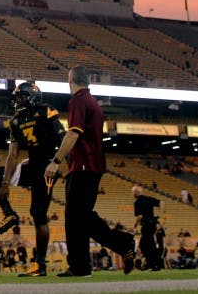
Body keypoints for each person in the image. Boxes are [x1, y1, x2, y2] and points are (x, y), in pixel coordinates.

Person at [45, 66, 135, 277]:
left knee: (77, 218)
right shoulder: (92, 101)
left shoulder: (78, 100)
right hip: (92, 165)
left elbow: (73, 134)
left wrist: (56, 161)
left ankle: (118, 245)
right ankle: (82, 265)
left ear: (71, 81)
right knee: (79, 218)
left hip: (83, 166)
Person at [0, 81, 66, 277]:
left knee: (38, 214)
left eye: (21, 97)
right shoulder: (16, 120)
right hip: (31, 166)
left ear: (32, 96)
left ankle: (40, 264)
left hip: (47, 167)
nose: (18, 101)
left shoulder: (46, 111)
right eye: (17, 98)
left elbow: (63, 139)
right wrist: (5, 183)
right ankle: (9, 213)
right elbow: (12, 155)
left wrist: (58, 163)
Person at [133, 185, 162, 270]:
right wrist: (160, 215)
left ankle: (154, 264)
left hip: (146, 225)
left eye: (133, 192)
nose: (133, 194)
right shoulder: (148, 199)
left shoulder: (137, 202)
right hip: (152, 224)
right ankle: (151, 263)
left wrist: (136, 224)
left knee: (147, 245)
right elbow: (161, 202)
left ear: (136, 192)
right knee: (147, 244)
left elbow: (140, 216)